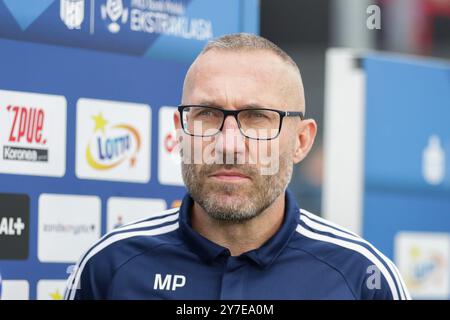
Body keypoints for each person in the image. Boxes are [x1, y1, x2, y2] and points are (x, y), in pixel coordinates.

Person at [65, 33, 410, 300]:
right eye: (207, 115)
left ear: (301, 142)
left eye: (258, 117)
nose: (229, 145)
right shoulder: (108, 267)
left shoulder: (364, 278)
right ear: (179, 131)